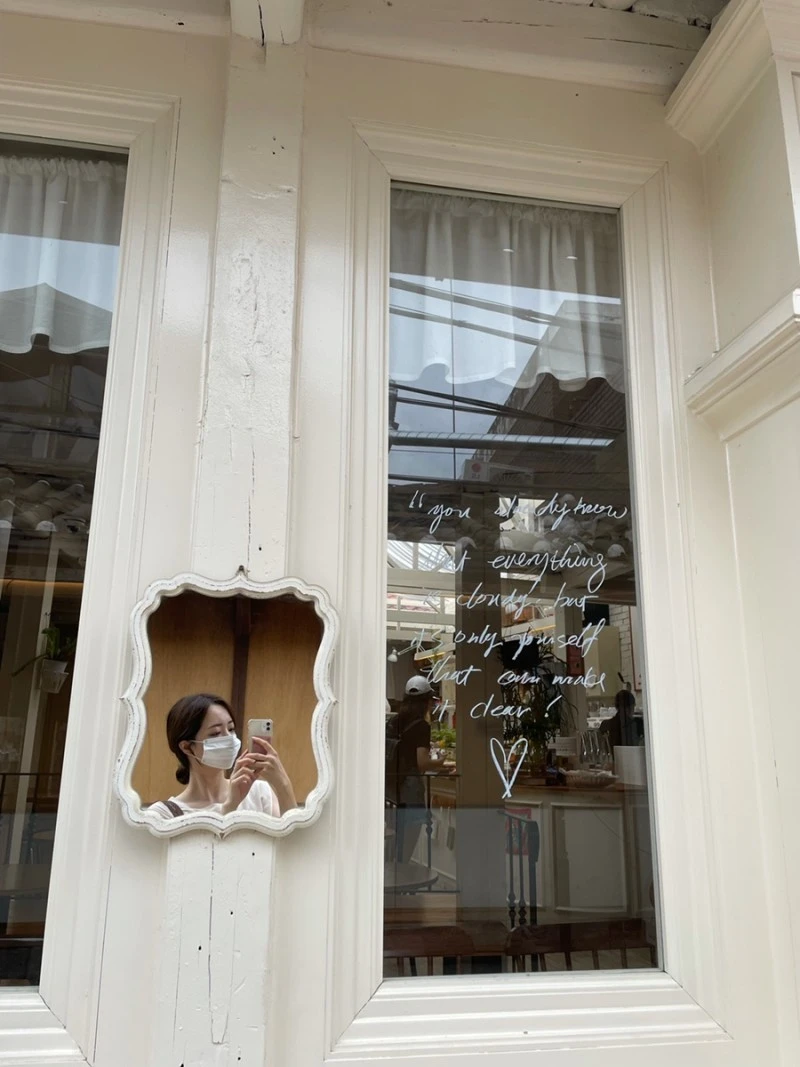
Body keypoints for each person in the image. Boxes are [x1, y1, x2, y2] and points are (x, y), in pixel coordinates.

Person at [151, 692, 296, 818]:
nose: (230, 739)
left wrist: (283, 784)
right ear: (187, 747)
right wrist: (229, 807)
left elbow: (293, 839)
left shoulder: (258, 792)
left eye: (231, 729)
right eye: (215, 733)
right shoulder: (164, 814)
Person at [389, 676, 451, 863]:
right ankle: (402, 875)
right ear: (426, 702)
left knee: (393, 837)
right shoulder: (422, 726)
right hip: (410, 788)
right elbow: (422, 762)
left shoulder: (393, 722)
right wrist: (439, 762)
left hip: (390, 787)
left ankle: (391, 875)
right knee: (409, 837)